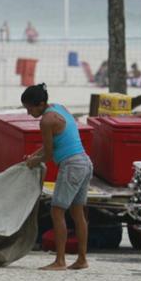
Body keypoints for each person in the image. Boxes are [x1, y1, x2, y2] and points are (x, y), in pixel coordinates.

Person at [22, 83, 92, 271]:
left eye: (30, 109)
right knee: (77, 213)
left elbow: (49, 154)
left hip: (72, 166)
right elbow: (49, 146)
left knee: (57, 211)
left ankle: (60, 261)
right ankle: (82, 259)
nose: (29, 113)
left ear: (41, 103)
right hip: (85, 162)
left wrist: (33, 162)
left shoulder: (46, 121)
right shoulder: (59, 108)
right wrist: (33, 156)